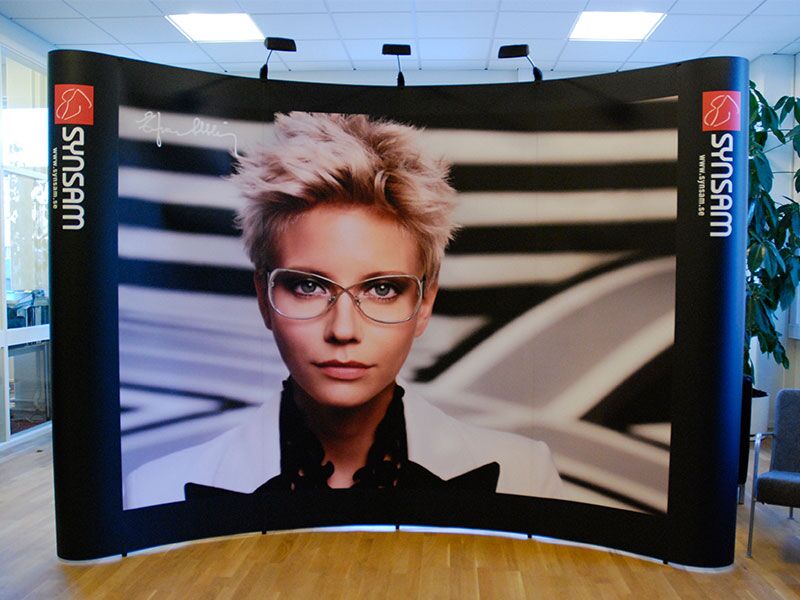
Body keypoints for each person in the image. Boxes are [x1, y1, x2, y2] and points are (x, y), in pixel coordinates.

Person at [123, 112, 562, 509]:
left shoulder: (524, 477)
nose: (344, 329)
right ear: (263, 297)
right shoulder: (158, 491)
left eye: (382, 289)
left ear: (424, 302)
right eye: (309, 286)